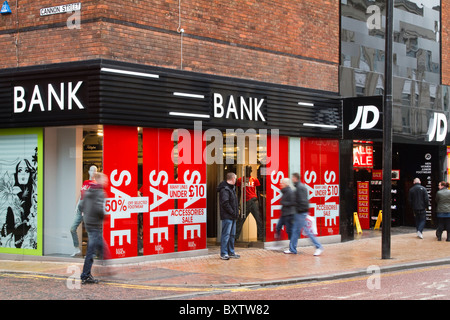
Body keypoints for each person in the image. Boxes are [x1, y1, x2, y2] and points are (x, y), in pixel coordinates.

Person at [79, 172, 109, 284]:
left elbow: (81, 206)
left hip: (89, 224)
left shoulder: (88, 191)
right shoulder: (100, 193)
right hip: (95, 225)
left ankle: (105, 265)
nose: (106, 182)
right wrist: (103, 216)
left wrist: (87, 215)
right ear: (99, 180)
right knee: (91, 251)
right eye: (104, 180)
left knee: (98, 247)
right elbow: (99, 209)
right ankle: (86, 275)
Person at [286, 173, 323, 256]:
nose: (292, 179)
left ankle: (318, 246)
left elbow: (303, 201)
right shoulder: (299, 187)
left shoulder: (300, 188)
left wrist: (300, 210)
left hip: (301, 213)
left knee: (307, 231)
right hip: (300, 212)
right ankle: (292, 249)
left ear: (295, 178)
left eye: (292, 178)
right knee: (296, 231)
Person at [70, 165, 97, 257]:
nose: (93, 172)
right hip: (80, 209)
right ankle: (76, 248)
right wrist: (77, 205)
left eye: (95, 171)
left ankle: (91, 253)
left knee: (90, 232)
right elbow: (81, 194)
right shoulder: (85, 182)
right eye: (92, 170)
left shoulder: (95, 185)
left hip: (87, 210)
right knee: (72, 229)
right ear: (89, 171)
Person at [235, 166, 263, 241]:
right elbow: (239, 192)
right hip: (245, 202)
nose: (247, 171)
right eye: (246, 170)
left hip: (253, 200)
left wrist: (259, 202)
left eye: (248, 170)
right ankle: (235, 237)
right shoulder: (240, 180)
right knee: (241, 219)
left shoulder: (254, 180)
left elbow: (258, 191)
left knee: (258, 219)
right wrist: (238, 202)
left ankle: (261, 236)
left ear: (251, 171)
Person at [217, 172, 240, 260]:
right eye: (236, 178)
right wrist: (232, 212)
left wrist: (235, 213)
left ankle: (231, 252)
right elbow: (225, 203)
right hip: (227, 216)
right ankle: (224, 253)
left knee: (232, 235)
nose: (236, 180)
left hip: (232, 216)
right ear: (232, 179)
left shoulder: (231, 188)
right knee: (226, 234)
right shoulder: (225, 189)